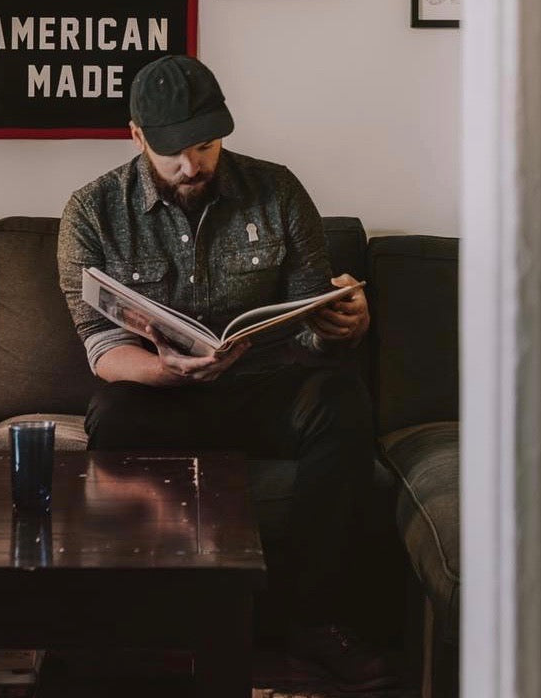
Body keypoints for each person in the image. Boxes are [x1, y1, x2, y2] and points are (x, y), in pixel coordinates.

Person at [57, 55, 397, 692]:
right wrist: (169, 370)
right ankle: (148, 628)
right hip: (161, 397)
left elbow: (308, 317)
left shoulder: (278, 190)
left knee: (341, 398)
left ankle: (316, 622)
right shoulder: (93, 211)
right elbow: (100, 347)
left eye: (206, 146)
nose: (193, 165)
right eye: (175, 152)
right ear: (137, 137)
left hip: (264, 388)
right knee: (110, 414)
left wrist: (344, 321)